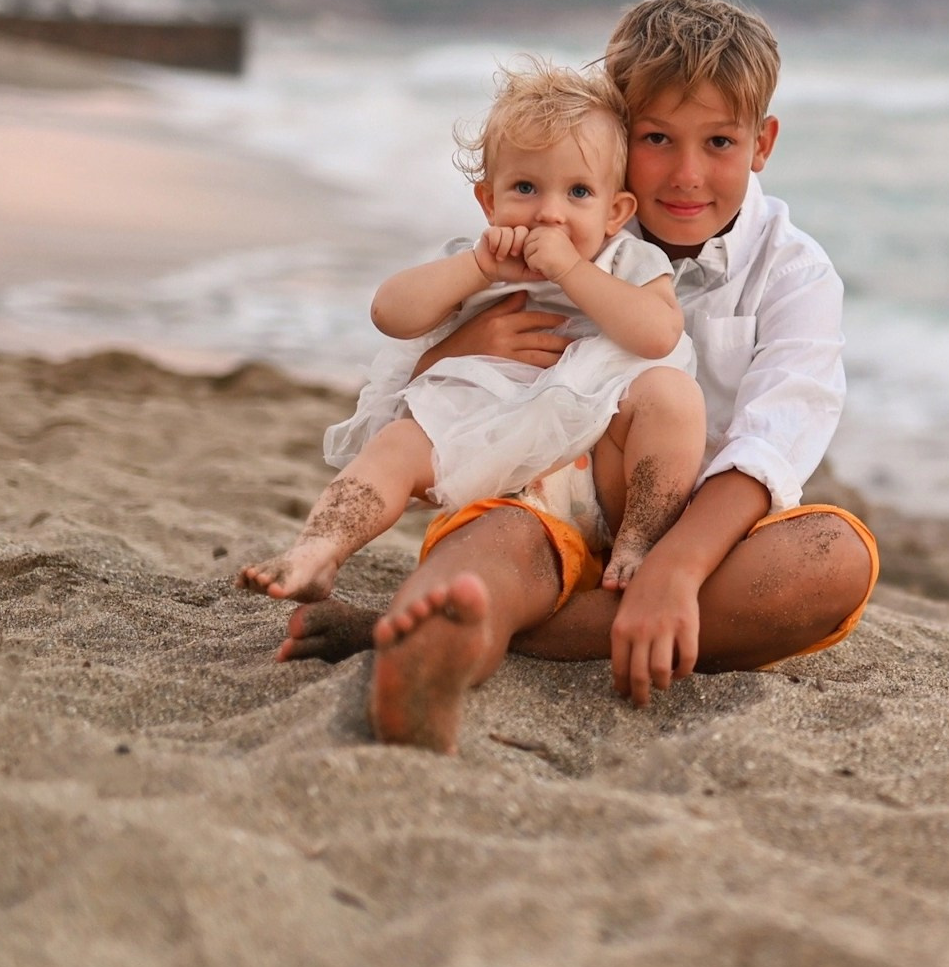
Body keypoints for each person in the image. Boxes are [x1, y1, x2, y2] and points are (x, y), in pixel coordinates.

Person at [276, 0, 881, 754]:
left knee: (835, 558)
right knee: (497, 546)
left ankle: (453, 628)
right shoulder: (553, 230)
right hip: (542, 501)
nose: (687, 174)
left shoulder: (794, 273)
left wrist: (676, 571)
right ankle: (438, 642)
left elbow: (773, 441)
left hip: (684, 533)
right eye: (658, 140)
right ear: (621, 135)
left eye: (720, 143)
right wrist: (456, 350)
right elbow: (420, 360)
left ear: (761, 143)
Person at [238, 63, 700, 606]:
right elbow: (390, 312)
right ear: (489, 202)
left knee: (673, 397)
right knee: (395, 444)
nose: (549, 212)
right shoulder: (479, 260)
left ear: (615, 211)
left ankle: (640, 543)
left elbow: (659, 335)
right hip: (496, 462)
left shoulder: (627, 259)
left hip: (598, 469)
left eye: (578, 192)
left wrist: (574, 273)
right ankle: (317, 550)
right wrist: (478, 270)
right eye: (525, 187)